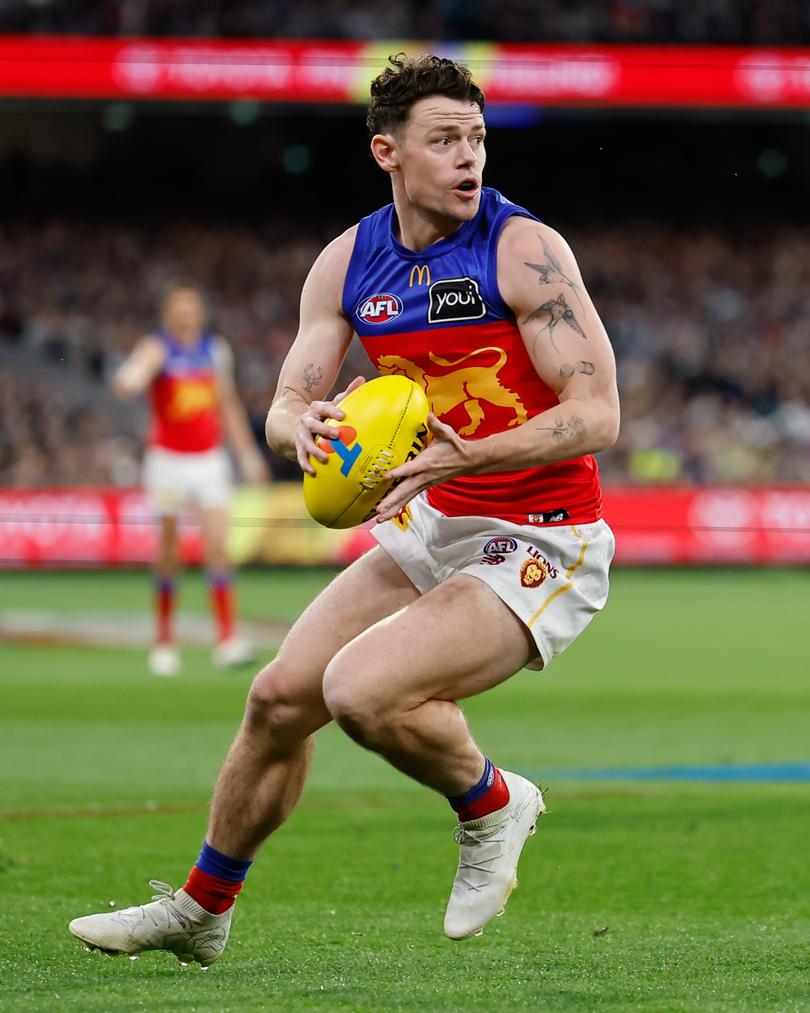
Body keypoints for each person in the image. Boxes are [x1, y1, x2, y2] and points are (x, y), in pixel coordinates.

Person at [69, 54, 619, 962]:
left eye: (475, 137)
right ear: (386, 151)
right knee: (279, 695)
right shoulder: (348, 260)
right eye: (443, 139)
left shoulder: (525, 249)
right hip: (432, 522)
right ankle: (203, 910)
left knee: (359, 692)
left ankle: (493, 802)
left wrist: (471, 452)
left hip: (538, 537)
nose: (467, 156)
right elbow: (289, 400)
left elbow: (597, 414)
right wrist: (303, 429)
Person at [112, 281, 269, 675]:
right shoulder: (159, 347)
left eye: (190, 309)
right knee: (169, 552)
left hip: (209, 461)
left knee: (218, 547)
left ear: (199, 314)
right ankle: (164, 639)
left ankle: (227, 639)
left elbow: (228, 404)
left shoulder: (214, 351)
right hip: (167, 461)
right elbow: (138, 370)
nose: (184, 317)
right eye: (177, 310)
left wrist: (248, 455)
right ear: (169, 315)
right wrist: (130, 377)